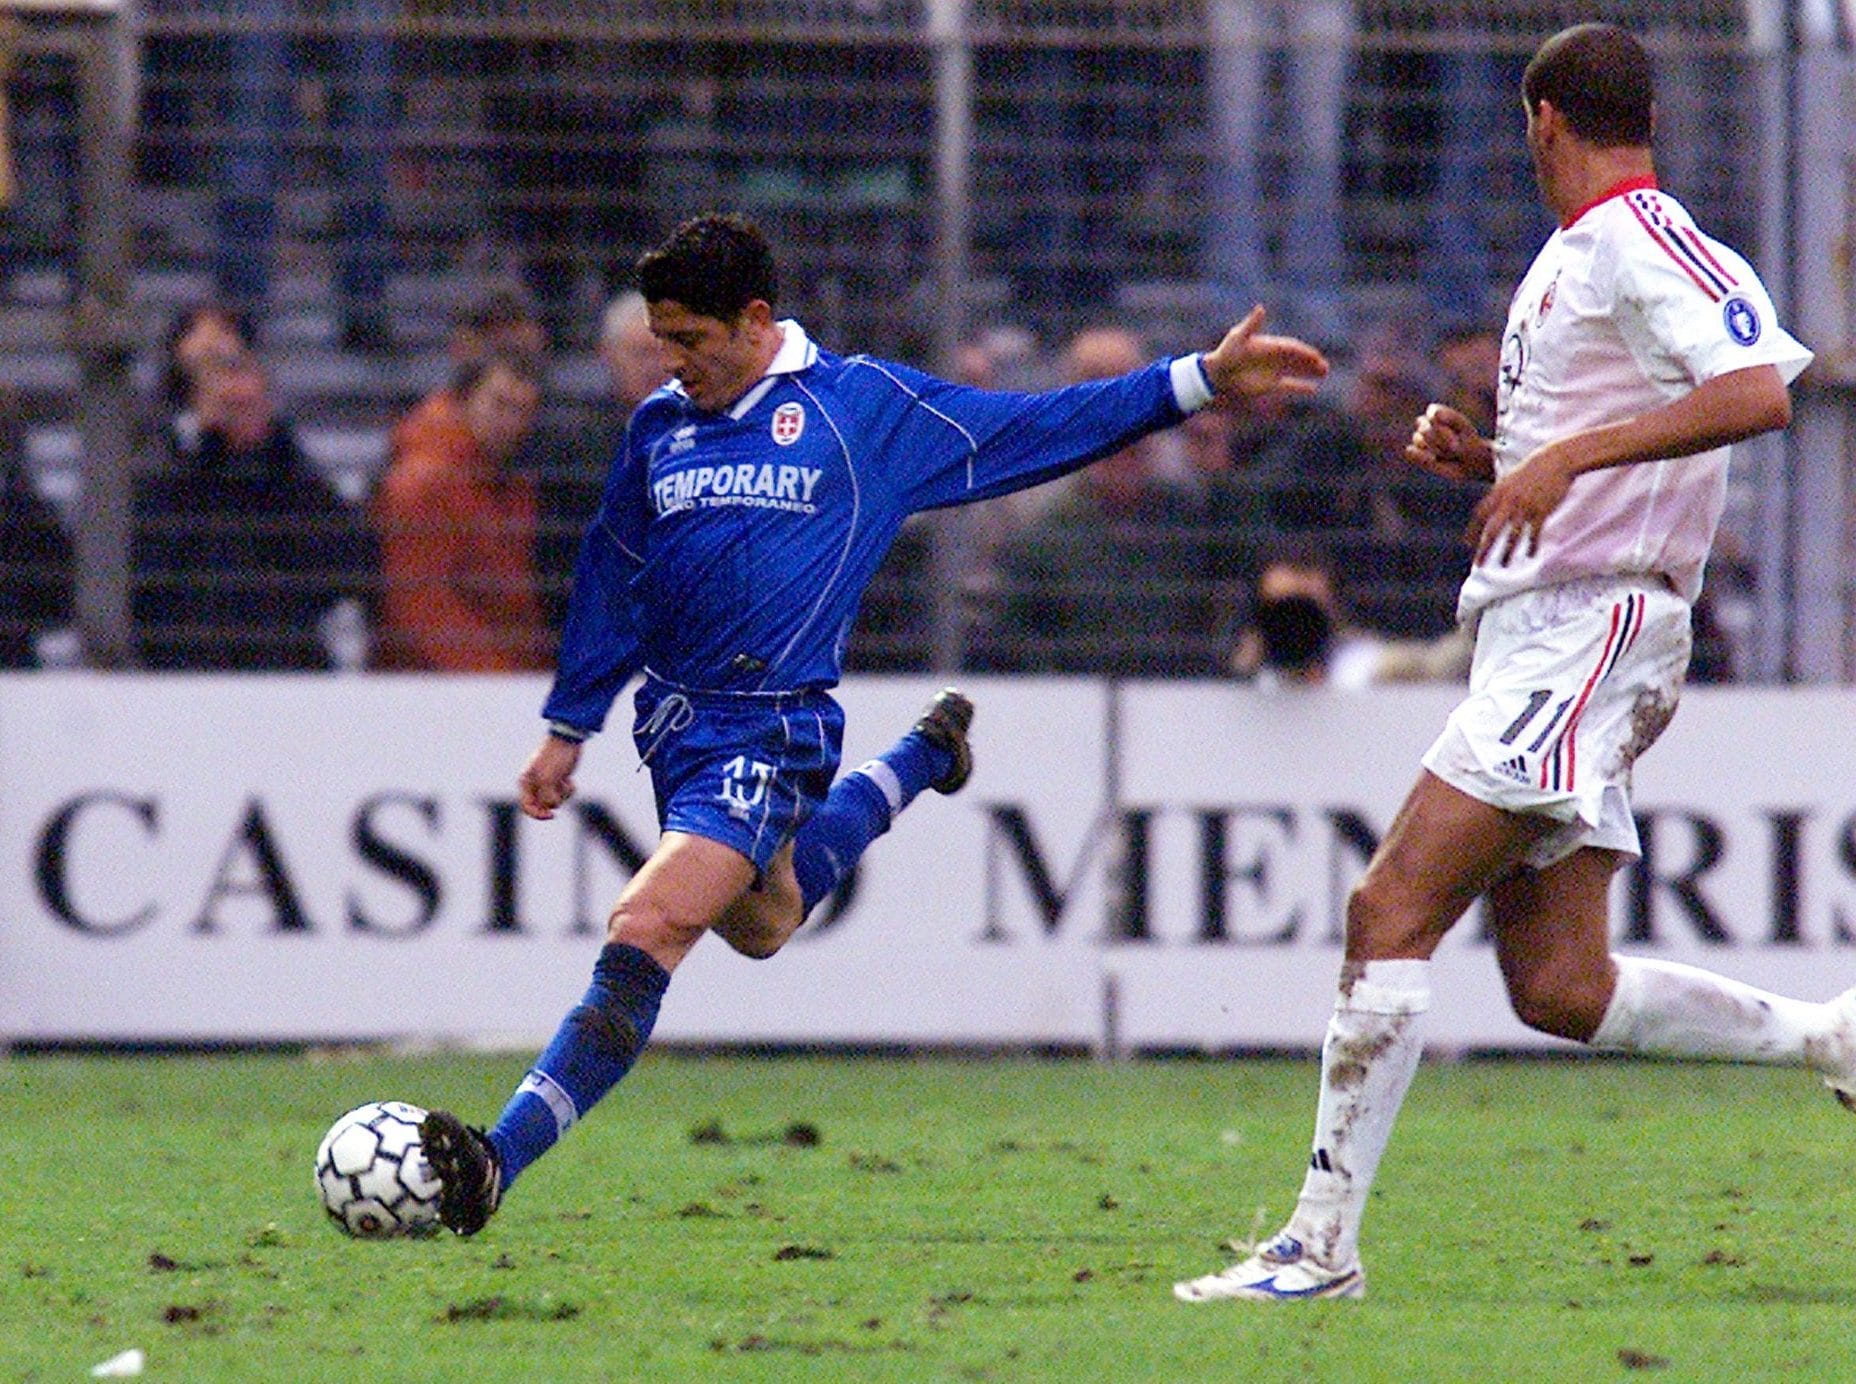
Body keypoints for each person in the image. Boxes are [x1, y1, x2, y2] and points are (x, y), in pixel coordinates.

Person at [415, 212, 1329, 1236]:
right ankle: (919, 759)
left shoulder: (860, 410)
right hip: (674, 731)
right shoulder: (658, 426)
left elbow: (1033, 427)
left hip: (772, 729)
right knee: (763, 921)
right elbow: (613, 570)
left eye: (687, 340)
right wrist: (568, 721)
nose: (667, 363)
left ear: (755, 319)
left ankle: (497, 1158)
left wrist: (1196, 378)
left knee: (649, 924)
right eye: (658, 340)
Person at [1173, 24, 1822, 1305]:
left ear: (1539, 119)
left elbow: (1755, 392)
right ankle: (1827, 1035)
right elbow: (1616, 438)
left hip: (1593, 629)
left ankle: (1318, 1245)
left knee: (1387, 908)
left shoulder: (1645, 236)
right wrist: (1495, 457)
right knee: (1558, 986)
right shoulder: (1576, 258)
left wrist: (1560, 461)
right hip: (1546, 624)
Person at [132, 345, 377, 670]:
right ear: (197, 405)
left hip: (284, 671)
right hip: (187, 673)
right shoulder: (167, 476)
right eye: (230, 403)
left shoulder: (292, 474)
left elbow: (348, 566)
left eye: (252, 403)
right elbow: (143, 577)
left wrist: (279, 459)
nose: (242, 414)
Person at [371, 349, 552, 672]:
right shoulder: (425, 480)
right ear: (465, 399)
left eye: (522, 411)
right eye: (500, 404)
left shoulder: (501, 475)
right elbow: (423, 603)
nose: (509, 422)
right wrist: (499, 680)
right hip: (442, 686)